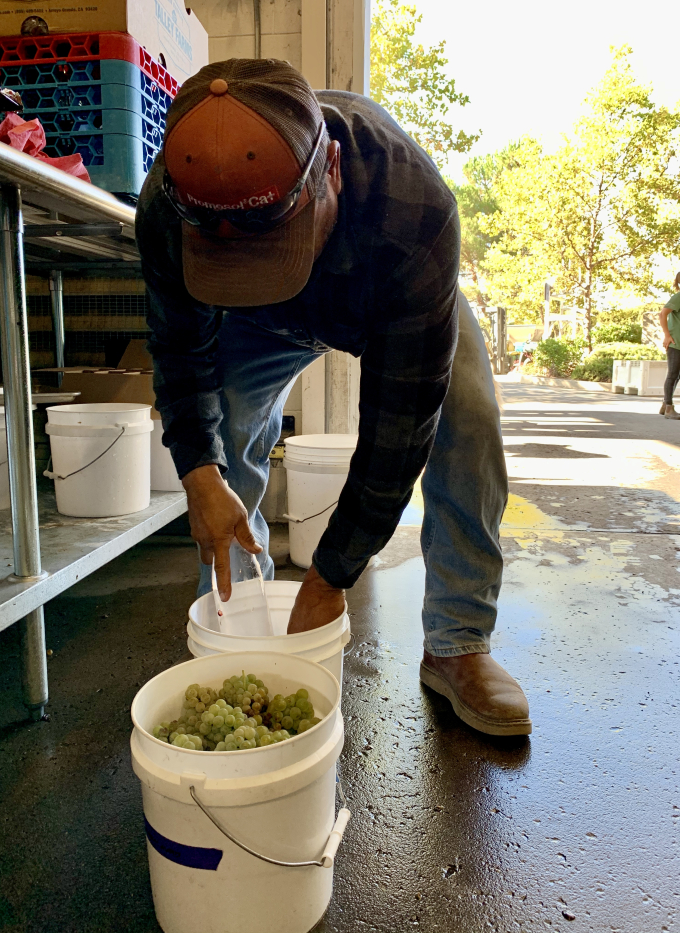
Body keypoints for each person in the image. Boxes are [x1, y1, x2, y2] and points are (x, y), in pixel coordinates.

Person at [136, 59, 531, 737]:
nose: (261, 273)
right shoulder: (169, 202)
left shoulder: (413, 209)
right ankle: (230, 629)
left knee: (466, 413)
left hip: (377, 296)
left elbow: (399, 425)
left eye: (271, 246)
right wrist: (199, 471)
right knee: (222, 430)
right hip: (253, 326)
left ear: (334, 173)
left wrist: (332, 573)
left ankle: (458, 643)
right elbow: (181, 354)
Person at [660, 273, 680, 420]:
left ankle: (665, 403)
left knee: (677, 375)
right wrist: (667, 335)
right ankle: (668, 408)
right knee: (672, 374)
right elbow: (662, 314)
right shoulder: (678, 297)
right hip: (675, 343)